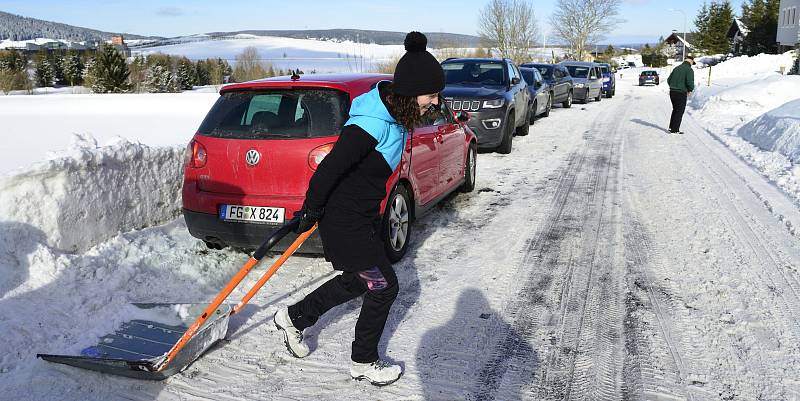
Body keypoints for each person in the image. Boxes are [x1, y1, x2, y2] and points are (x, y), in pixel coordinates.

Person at [272, 31, 444, 386]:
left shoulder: (394, 115)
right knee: (384, 286)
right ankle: (363, 360)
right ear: (412, 94)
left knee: (357, 280)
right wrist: (311, 210)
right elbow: (330, 168)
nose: (435, 102)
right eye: (431, 95)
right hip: (343, 220)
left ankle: (294, 317)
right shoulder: (370, 124)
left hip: (360, 216)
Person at [666, 55, 696, 134]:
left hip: (672, 92)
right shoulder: (689, 70)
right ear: (691, 61)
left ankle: (671, 127)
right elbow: (690, 82)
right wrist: (690, 89)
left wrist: (673, 87)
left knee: (675, 109)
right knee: (679, 111)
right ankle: (675, 130)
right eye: (692, 63)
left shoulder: (676, 68)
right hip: (681, 92)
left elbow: (669, 80)